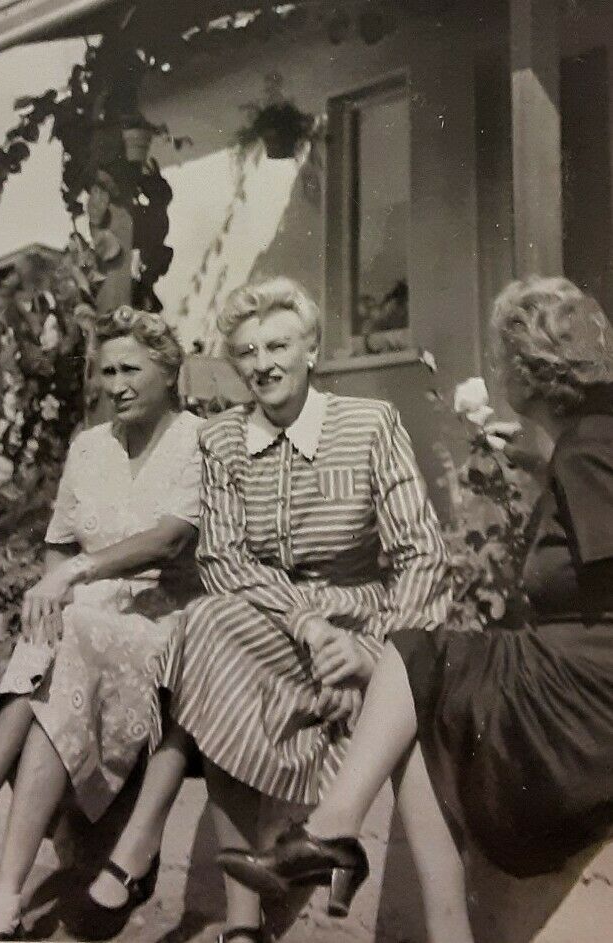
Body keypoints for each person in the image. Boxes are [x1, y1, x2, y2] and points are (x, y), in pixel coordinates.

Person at [218, 276, 613, 943]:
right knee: (419, 689)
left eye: (498, 359)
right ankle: (402, 894)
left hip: (592, 696)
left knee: (414, 651)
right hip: (583, 679)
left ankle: (332, 832)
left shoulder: (592, 447)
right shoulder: (585, 440)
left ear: (521, 367)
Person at [88, 276, 450, 943]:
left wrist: (369, 652)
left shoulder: (368, 425)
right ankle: (243, 925)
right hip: (273, 623)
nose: (263, 363)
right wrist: (306, 623)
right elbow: (223, 560)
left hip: (362, 619)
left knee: (215, 643)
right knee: (206, 627)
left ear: (311, 349)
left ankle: (248, 896)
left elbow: (421, 555)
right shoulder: (222, 441)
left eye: (278, 344)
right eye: (248, 351)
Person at [0, 306, 204, 940]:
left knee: (66, 634)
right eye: (107, 371)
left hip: (165, 621)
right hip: (86, 624)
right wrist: (58, 587)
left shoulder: (194, 438)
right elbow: (59, 541)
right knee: (58, 641)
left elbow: (168, 540)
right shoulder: (89, 447)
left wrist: (71, 579)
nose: (117, 384)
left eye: (131, 369)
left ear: (169, 373)